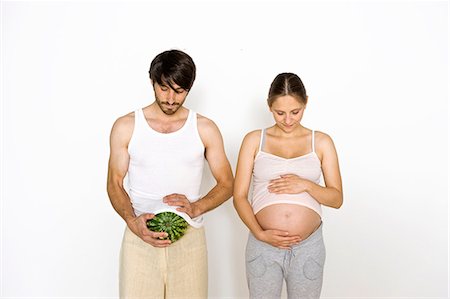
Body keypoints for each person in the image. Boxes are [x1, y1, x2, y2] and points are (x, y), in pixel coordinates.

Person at [107, 49, 234, 299]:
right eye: (164, 88)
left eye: (179, 91)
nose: (171, 99)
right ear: (152, 82)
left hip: (189, 238)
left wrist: (198, 207)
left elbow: (227, 182)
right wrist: (132, 221)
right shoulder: (126, 126)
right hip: (139, 236)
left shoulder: (204, 128)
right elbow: (114, 182)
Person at [233, 73, 343, 299]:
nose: (288, 120)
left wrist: (304, 185)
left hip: (308, 246)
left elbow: (336, 199)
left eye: (295, 112)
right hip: (263, 244)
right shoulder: (254, 140)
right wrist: (260, 234)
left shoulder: (321, 142)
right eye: (279, 113)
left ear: (306, 103)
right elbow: (239, 196)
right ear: (269, 106)